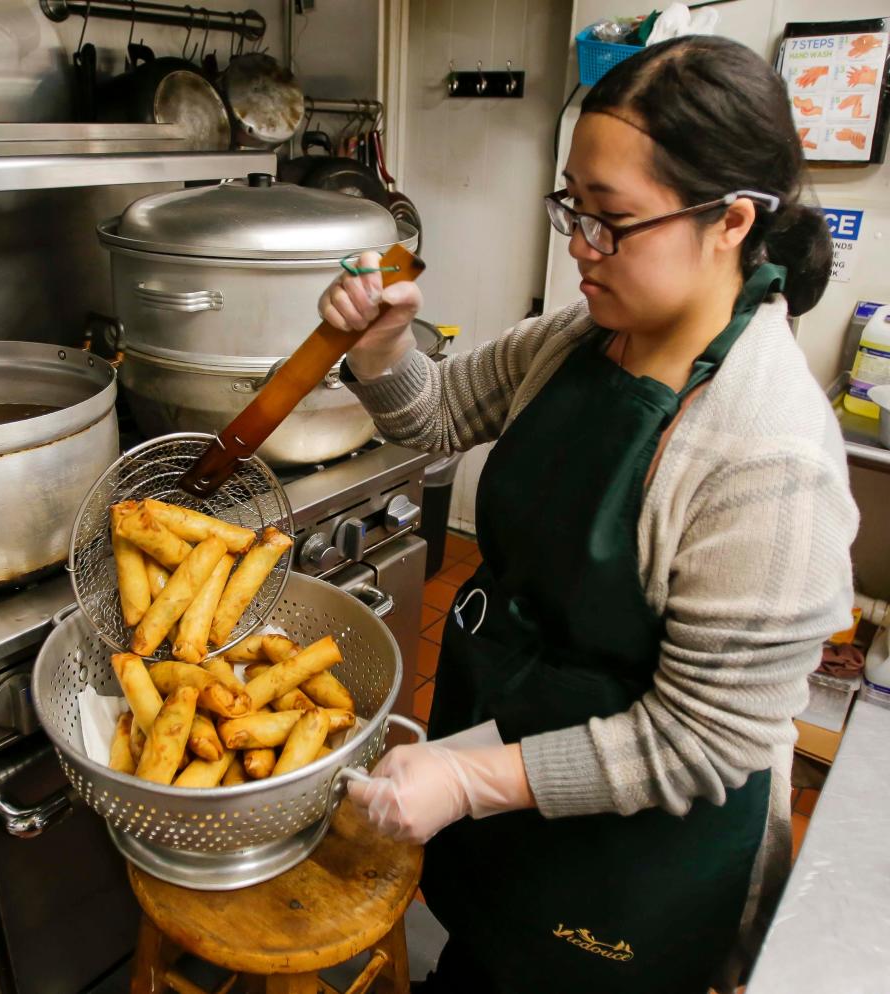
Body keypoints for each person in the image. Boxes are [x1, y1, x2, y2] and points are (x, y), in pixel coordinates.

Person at [318, 35, 857, 994]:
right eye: (573, 205)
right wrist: (383, 348)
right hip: (511, 760)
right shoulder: (578, 337)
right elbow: (436, 418)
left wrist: (471, 779)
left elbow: (700, 741)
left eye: (611, 219)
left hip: (634, 858)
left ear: (731, 221)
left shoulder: (768, 454)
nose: (579, 246)